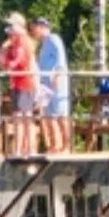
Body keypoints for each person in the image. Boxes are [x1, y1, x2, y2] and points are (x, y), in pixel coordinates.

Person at [0, 12, 39, 155]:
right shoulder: (14, 43)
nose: (9, 29)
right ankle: (21, 148)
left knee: (24, 116)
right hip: (16, 83)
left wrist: (6, 60)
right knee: (18, 116)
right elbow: (4, 62)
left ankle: (27, 148)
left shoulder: (23, 42)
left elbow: (18, 62)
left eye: (11, 25)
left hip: (25, 83)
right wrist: (4, 52)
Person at [30, 17, 72, 153]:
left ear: (42, 27)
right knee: (49, 115)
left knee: (61, 115)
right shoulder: (43, 45)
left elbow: (60, 59)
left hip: (57, 82)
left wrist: (58, 75)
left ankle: (67, 145)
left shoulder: (54, 39)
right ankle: (56, 145)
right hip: (46, 84)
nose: (34, 31)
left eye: (35, 28)